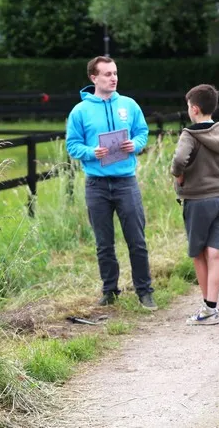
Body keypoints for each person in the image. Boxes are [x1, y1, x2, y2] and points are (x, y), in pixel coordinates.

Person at [65, 56, 156, 310]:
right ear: (94, 78)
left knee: (136, 240)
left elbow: (142, 132)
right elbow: (72, 145)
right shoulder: (80, 111)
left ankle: (144, 291)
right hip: (96, 184)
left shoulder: (128, 105)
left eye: (115, 73)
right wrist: (91, 152)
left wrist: (135, 145)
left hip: (126, 182)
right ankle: (110, 291)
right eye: (107, 74)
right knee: (104, 243)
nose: (113, 78)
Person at [170, 84, 219, 325]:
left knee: (198, 255)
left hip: (197, 202)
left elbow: (179, 160)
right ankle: (213, 307)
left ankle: (207, 309)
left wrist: (179, 176)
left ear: (194, 109)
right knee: (214, 253)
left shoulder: (190, 135)